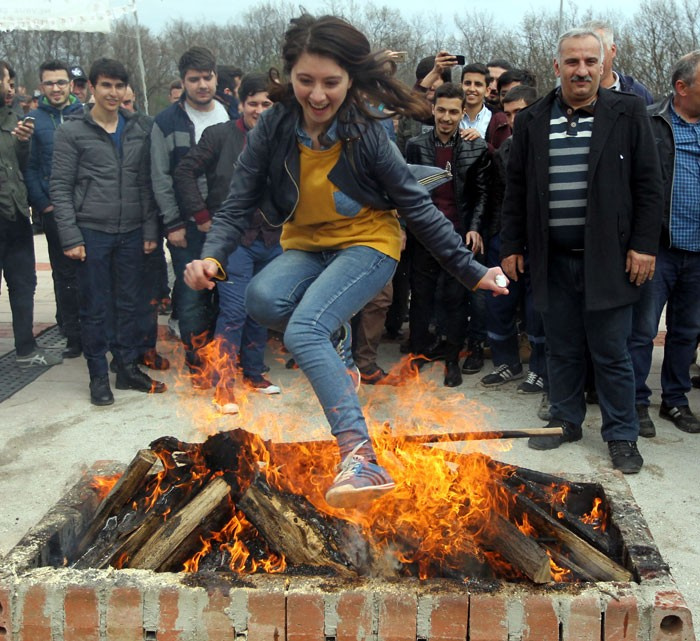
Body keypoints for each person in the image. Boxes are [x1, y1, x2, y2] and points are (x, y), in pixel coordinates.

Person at [184, 14, 508, 509]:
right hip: (308, 244)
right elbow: (236, 201)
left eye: (331, 83)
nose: (317, 96)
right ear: (288, 76)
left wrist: (472, 270)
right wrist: (211, 257)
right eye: (305, 81)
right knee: (260, 298)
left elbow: (415, 206)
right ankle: (336, 352)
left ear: (350, 80)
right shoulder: (274, 125)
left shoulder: (366, 129)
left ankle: (361, 456)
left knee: (303, 331)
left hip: (368, 241)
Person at [500, 28, 664, 474]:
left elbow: (649, 186)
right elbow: (515, 190)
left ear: (603, 64)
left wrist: (644, 246)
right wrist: (512, 244)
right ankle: (565, 421)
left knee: (613, 354)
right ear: (557, 67)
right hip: (551, 259)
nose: (582, 70)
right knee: (561, 349)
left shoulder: (628, 112)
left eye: (590, 61)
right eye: (572, 62)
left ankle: (621, 435)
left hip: (609, 261)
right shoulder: (532, 118)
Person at [51, 58, 165, 405]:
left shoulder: (139, 128)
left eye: (119, 86)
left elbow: (146, 183)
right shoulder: (71, 131)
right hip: (92, 232)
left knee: (130, 303)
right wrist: (70, 237)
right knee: (95, 307)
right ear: (91, 88)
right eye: (106, 85)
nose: (113, 93)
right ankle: (98, 375)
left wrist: (149, 229)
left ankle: (127, 367)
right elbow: (60, 186)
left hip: (132, 231)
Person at [174, 72, 280, 413]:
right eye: (253, 103)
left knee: (261, 310)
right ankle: (223, 386)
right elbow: (184, 172)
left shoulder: (284, 139)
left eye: (267, 104)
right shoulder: (219, 135)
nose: (260, 111)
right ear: (240, 103)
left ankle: (253, 372)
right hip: (234, 240)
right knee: (233, 312)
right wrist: (202, 216)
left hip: (274, 238)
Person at [629, 51, 700, 436]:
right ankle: (636, 402)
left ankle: (675, 399)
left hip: (699, 252)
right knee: (641, 331)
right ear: (681, 87)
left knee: (686, 331)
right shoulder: (651, 121)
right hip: (658, 248)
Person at [151, 46, 231, 386]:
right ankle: (197, 362)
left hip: (228, 221)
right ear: (183, 82)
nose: (202, 85)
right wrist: (173, 223)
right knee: (192, 295)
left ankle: (226, 358)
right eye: (193, 79)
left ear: (216, 77)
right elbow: (160, 176)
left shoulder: (230, 114)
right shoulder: (167, 122)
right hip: (187, 224)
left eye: (207, 77)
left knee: (226, 292)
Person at [406, 82, 490, 387]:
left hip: (457, 234)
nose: (446, 117)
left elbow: (482, 192)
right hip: (424, 232)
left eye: (454, 111)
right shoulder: (416, 145)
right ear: (432, 109)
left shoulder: (474, 146)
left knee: (456, 299)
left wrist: (474, 227)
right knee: (421, 299)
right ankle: (416, 355)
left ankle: (452, 360)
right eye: (441, 110)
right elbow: (404, 190)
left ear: (462, 113)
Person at [481, 85, 547, 396]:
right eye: (507, 114)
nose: (513, 119)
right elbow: (500, 200)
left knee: (537, 309)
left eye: (519, 111)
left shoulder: (551, 144)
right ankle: (506, 362)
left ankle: (540, 370)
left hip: (542, 241)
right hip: (505, 238)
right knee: (499, 302)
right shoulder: (505, 150)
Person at [0, 59, 61, 369]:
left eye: (11, 82)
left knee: (23, 283)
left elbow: (24, 166)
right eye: (5, 82)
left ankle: (26, 348)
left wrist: (22, 143)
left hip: (15, 217)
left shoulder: (16, 118)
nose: (10, 88)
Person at [24, 59, 84, 359]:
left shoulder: (85, 115)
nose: (56, 88)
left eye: (61, 82)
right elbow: (30, 168)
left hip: (87, 210)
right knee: (64, 277)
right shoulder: (33, 120)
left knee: (92, 272)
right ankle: (72, 334)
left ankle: (95, 329)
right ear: (42, 86)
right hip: (53, 211)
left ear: (70, 85)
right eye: (49, 83)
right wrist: (43, 204)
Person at [582, 20, 654, 105]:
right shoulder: (565, 96)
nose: (590, 58)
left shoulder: (638, 94)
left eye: (597, 51)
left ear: (613, 50)